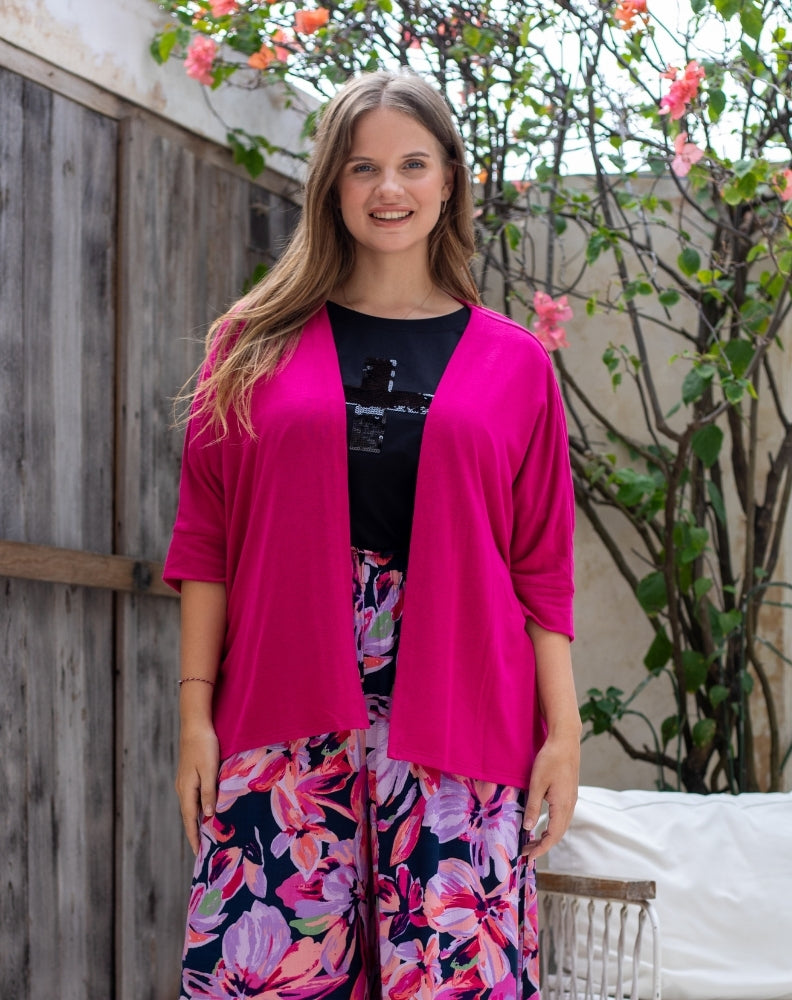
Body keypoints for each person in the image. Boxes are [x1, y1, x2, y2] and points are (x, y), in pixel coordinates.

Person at [163, 68, 580, 999]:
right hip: (280, 700)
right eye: (363, 167)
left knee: (451, 975)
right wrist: (194, 715)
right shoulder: (251, 345)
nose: (388, 188)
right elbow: (205, 542)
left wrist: (564, 732)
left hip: (466, 704)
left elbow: (541, 565)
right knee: (272, 970)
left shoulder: (517, 364)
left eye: (412, 164)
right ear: (332, 185)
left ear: (448, 179)